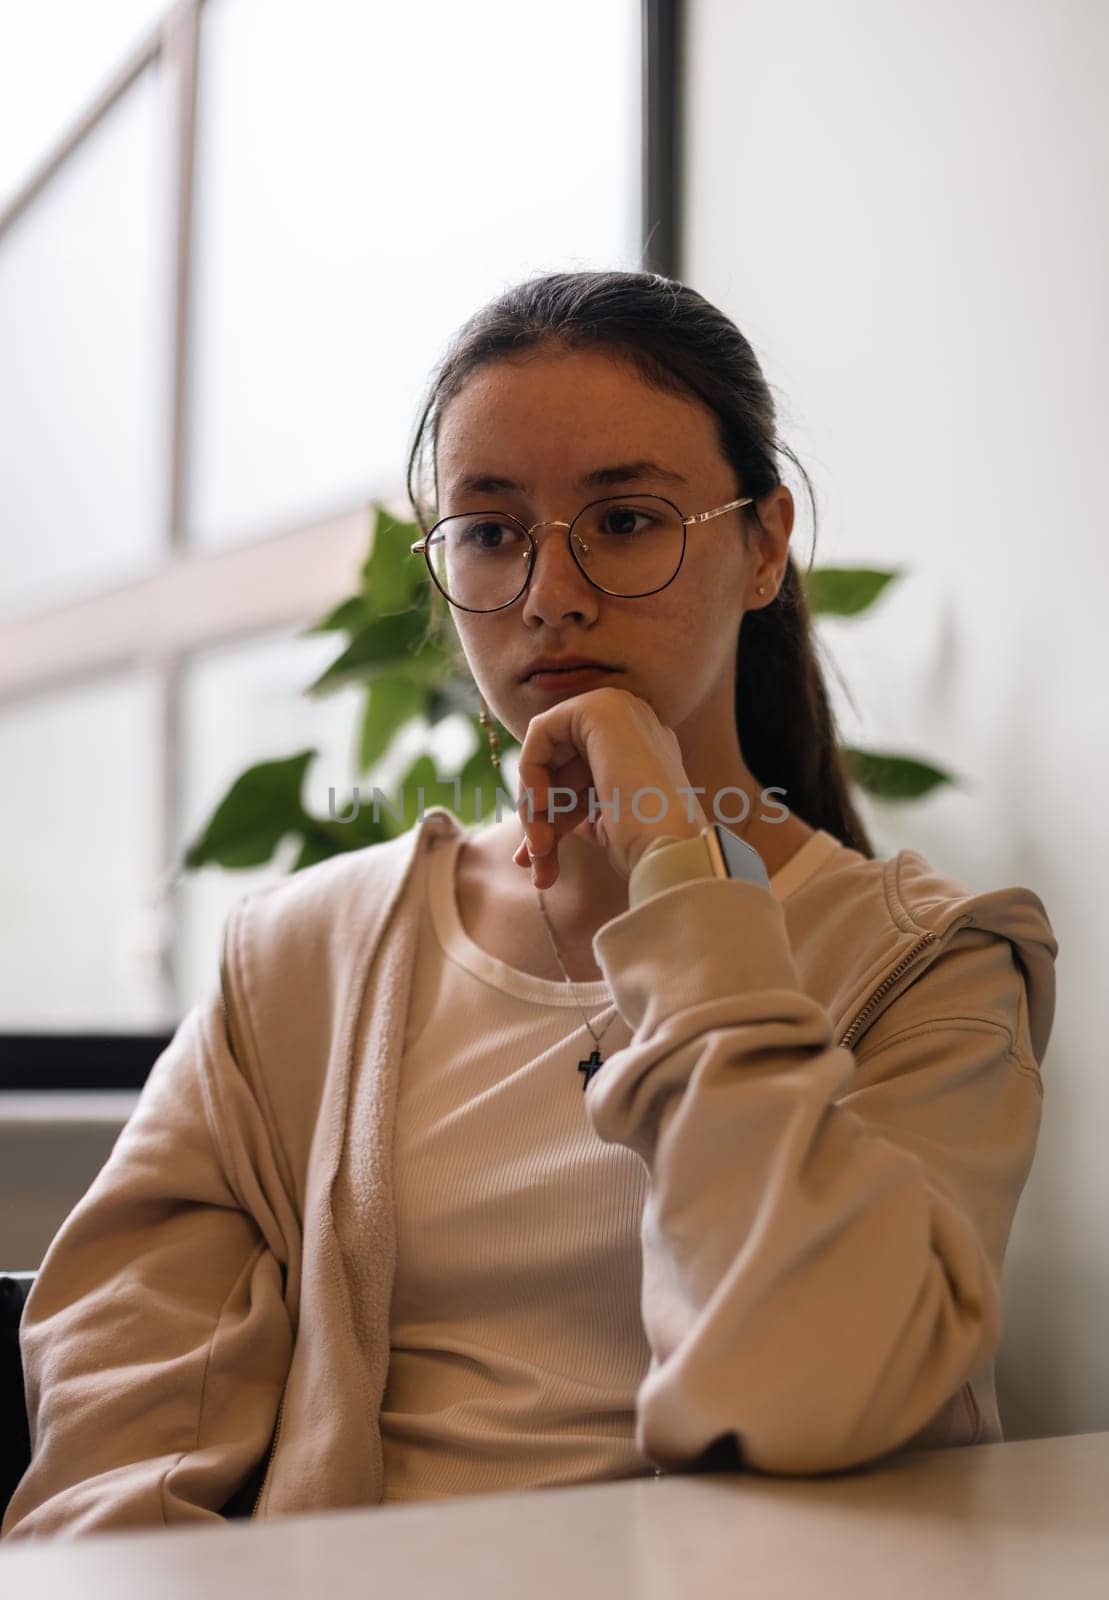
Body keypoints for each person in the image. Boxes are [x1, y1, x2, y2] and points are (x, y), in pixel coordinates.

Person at [2, 271, 1058, 1540]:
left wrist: (673, 872)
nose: (548, 590)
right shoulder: (295, 960)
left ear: (764, 543)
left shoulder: (930, 960)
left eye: (621, 519)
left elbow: (813, 1387)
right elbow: (119, 1435)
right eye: (491, 532)